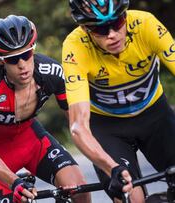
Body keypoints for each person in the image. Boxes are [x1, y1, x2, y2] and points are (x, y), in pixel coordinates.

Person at [0, 15, 91, 203]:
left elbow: (77, 122)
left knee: (80, 190)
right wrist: (14, 182)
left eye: (26, 55)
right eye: (13, 59)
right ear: (0, 60)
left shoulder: (51, 72)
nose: (22, 65)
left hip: (30, 140)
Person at [62, 0, 175, 202]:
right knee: (130, 196)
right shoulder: (74, 47)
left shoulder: (145, 24)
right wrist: (110, 167)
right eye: (100, 29)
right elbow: (78, 126)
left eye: (118, 22)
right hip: (108, 127)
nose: (112, 34)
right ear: (85, 28)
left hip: (154, 115)